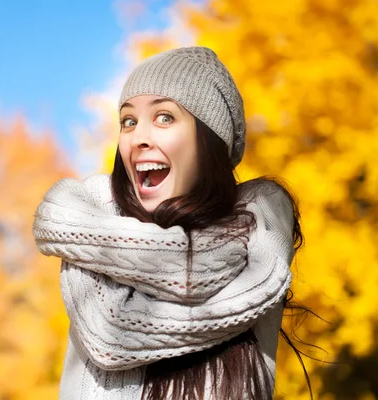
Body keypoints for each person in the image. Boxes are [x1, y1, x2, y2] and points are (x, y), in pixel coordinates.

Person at [33, 46, 304, 399]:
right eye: (128, 121)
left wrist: (89, 236)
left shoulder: (258, 216)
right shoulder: (98, 210)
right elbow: (104, 333)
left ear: (210, 138)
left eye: (164, 117)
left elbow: (259, 280)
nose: (138, 137)